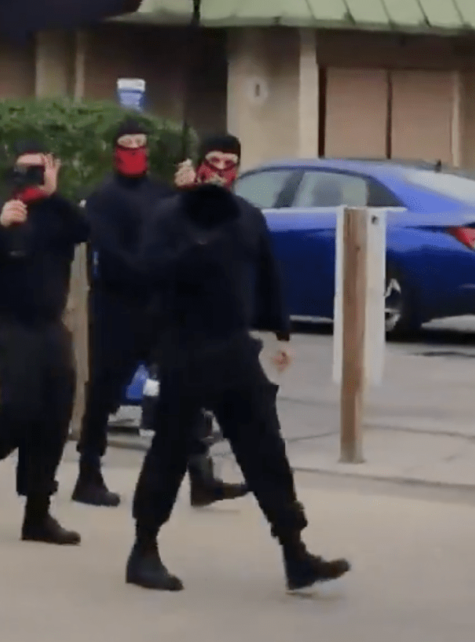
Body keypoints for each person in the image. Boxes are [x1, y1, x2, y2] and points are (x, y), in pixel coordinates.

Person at [125, 134, 351, 594]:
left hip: (234, 349)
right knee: (170, 449)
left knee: (265, 448)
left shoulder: (248, 217)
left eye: (231, 163)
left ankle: (295, 551)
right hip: (185, 347)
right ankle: (143, 550)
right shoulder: (170, 215)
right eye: (214, 161)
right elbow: (146, 272)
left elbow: (266, 274)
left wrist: (279, 332)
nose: (222, 170)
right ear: (199, 164)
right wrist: (194, 241)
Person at [72, 118, 248, 509]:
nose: (135, 150)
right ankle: (88, 473)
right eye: (127, 143)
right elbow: (112, 255)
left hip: (159, 309)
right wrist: (157, 268)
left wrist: (190, 194)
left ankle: (201, 477)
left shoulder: (159, 193)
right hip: (116, 307)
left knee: (184, 386)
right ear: (115, 150)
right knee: (104, 392)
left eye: (141, 143)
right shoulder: (104, 196)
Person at [0, 141, 88, 545]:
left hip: (48, 322)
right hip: (5, 320)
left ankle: (38, 514)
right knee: (20, 404)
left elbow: (84, 231)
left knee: (56, 410)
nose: (31, 179)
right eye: (24, 171)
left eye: (39, 171)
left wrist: (55, 194)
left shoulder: (59, 216)